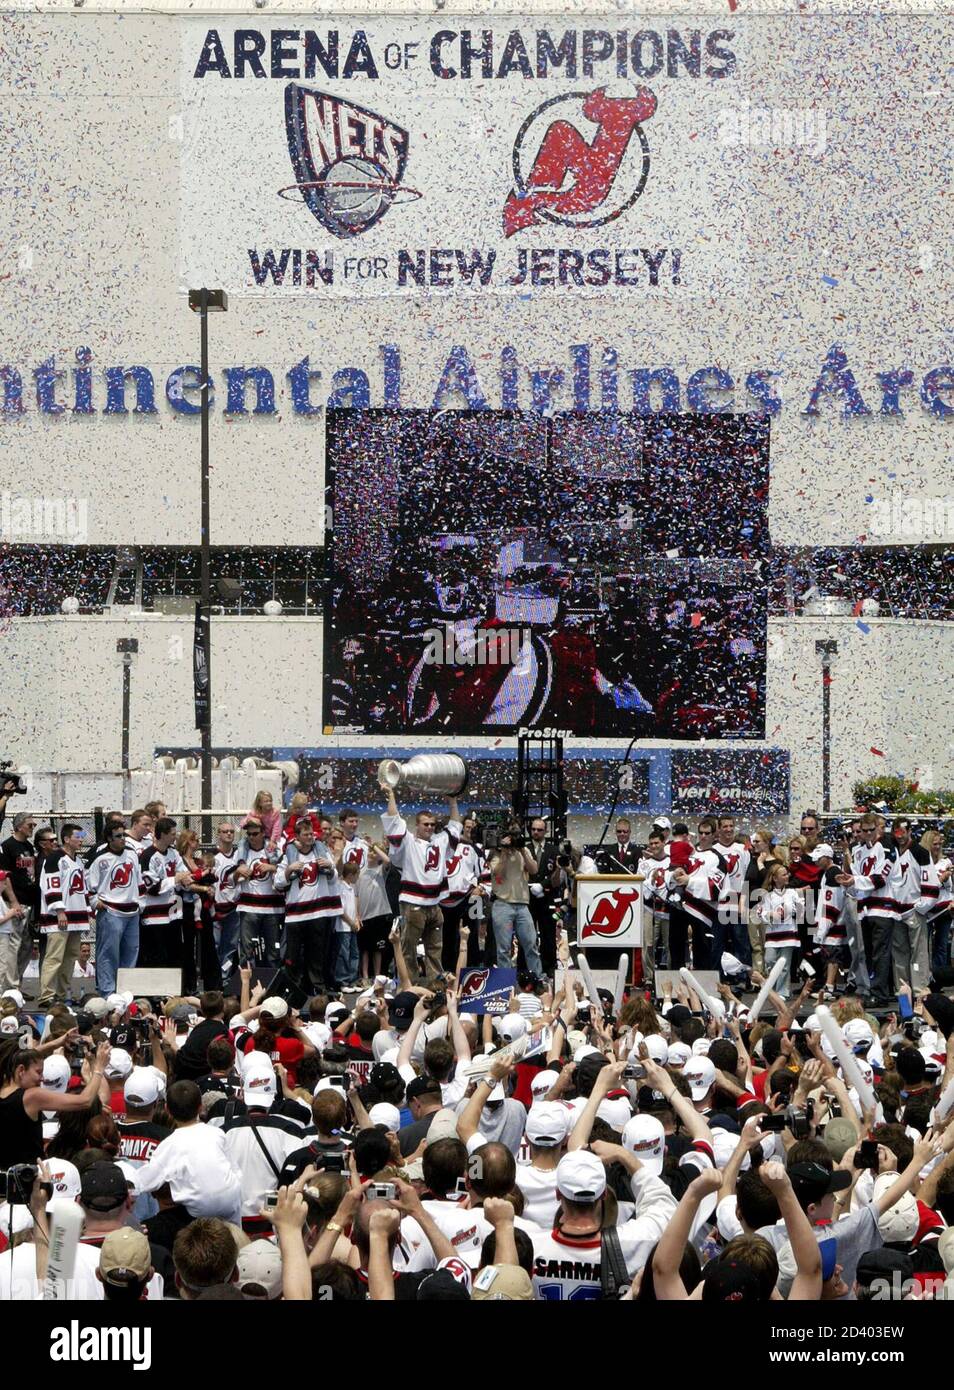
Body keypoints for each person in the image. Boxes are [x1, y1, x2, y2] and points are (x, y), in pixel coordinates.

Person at [0, 1038, 112, 1167]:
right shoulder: (32, 1096)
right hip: (26, 1179)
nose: (42, 1078)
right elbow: (85, 1101)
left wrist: (57, 1042)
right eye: (38, 1072)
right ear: (21, 1070)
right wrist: (99, 1067)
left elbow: (23, 1057)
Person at [87, 823, 144, 995]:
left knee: (131, 952)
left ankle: (126, 991)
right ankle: (107, 992)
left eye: (123, 835)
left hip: (132, 911)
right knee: (108, 953)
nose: (122, 839)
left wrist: (141, 902)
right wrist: (95, 902)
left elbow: (139, 879)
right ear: (109, 838)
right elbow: (89, 884)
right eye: (118, 836)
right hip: (111, 911)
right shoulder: (100, 857)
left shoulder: (132, 854)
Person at [488, 824, 542, 977]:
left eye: (516, 834)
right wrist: (504, 851)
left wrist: (523, 850)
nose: (514, 838)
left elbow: (534, 870)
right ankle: (505, 983)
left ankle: (536, 979)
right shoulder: (495, 853)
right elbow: (498, 874)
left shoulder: (523, 851)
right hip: (502, 904)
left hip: (523, 905)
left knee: (531, 945)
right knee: (504, 949)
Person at [0, 812, 37, 990]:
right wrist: (14, 903)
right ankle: (10, 987)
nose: (32, 828)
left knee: (27, 946)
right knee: (13, 945)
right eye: (30, 825)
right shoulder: (7, 847)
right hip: (16, 902)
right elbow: (5, 878)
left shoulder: (28, 846)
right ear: (19, 825)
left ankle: (17, 984)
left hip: (29, 901)